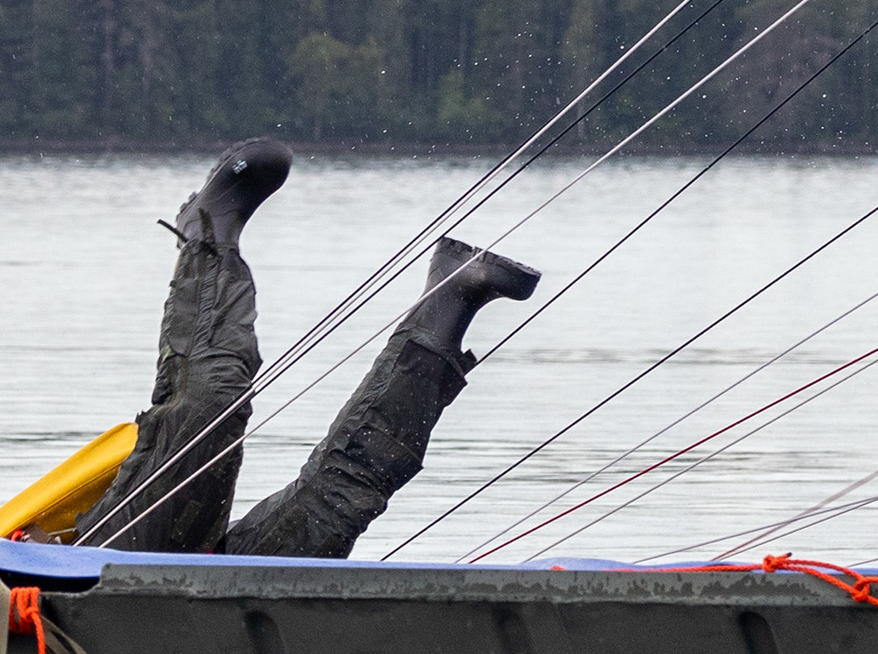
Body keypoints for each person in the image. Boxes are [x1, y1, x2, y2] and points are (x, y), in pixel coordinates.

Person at [80, 138, 539, 558]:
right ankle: (447, 302)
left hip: (84, 566)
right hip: (201, 622)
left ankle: (207, 231)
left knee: (209, 414)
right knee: (342, 497)